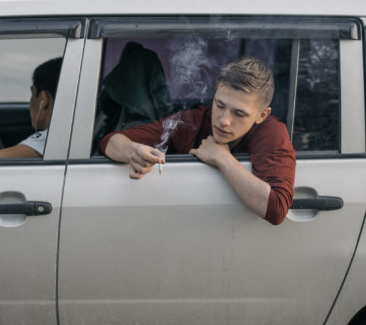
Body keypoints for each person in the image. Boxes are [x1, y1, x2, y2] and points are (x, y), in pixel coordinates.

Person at [99, 56, 296, 225]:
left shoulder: (270, 132)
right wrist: (133, 151)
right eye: (220, 105)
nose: (224, 121)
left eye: (239, 113)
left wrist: (222, 157)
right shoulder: (192, 121)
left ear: (262, 115)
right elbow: (109, 142)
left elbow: (276, 209)